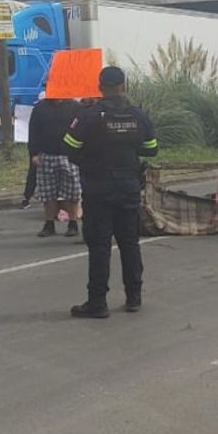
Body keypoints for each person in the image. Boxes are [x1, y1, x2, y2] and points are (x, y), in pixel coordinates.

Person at [62, 67, 159, 318]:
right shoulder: (138, 116)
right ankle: (134, 297)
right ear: (124, 87)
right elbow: (151, 149)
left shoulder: (89, 116)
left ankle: (98, 303)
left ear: (100, 87)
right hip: (127, 188)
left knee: (99, 246)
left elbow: (70, 148)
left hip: (97, 189)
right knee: (129, 243)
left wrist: (89, 159)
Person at [29, 95, 82, 238]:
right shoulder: (40, 108)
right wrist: (34, 153)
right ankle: (49, 224)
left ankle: (73, 223)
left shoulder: (75, 107)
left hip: (69, 156)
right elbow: (33, 131)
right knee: (48, 193)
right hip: (47, 154)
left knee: (72, 193)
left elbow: (80, 130)